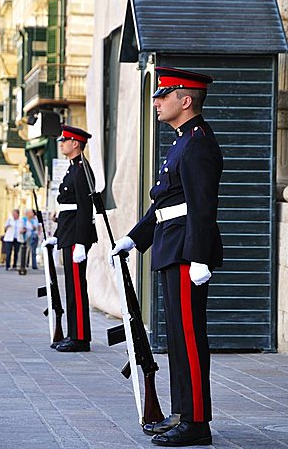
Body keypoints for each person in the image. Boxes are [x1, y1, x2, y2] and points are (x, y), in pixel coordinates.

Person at [110, 66, 223, 447]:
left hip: (186, 252)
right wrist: (133, 238)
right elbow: (165, 202)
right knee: (176, 338)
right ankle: (181, 412)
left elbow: (202, 206)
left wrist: (200, 258)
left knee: (190, 338)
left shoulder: (199, 143)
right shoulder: (182, 141)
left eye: (164, 94)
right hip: (170, 246)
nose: (156, 101)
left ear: (185, 100)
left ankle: (196, 423)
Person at [42, 125, 98, 352]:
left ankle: (80, 337)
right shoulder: (72, 169)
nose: (61, 143)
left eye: (65, 140)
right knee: (70, 288)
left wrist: (82, 242)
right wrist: (56, 237)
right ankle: (72, 333)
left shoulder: (82, 169)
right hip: (69, 234)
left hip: (77, 236)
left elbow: (85, 208)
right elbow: (67, 209)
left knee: (76, 287)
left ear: (76, 144)